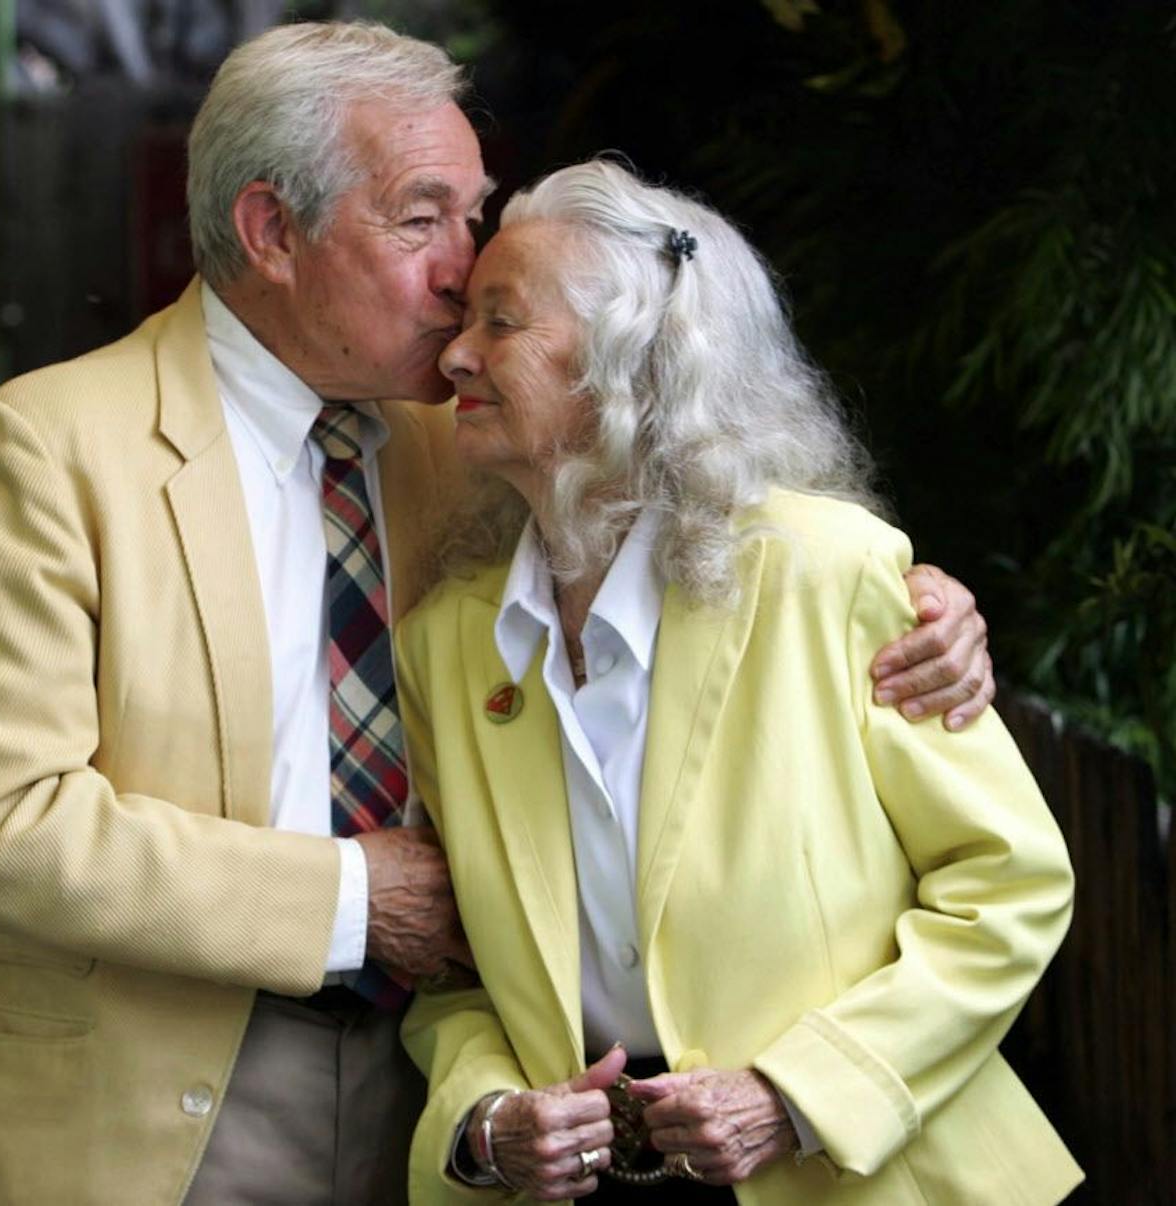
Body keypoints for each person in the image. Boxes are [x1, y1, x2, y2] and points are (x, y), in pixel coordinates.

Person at [0, 22, 995, 1206]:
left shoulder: (478, 430)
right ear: (271, 231)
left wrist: (923, 610)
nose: (462, 269)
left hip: (442, 1100)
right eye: (419, 218)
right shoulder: (58, 441)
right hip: (148, 1105)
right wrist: (350, 902)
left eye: (472, 218)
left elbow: (717, 546)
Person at [395, 159, 1081, 1205]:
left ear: (629, 362)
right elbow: (451, 966)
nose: (454, 354)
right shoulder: (446, 642)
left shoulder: (825, 570)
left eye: (501, 322)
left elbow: (1007, 884)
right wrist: (486, 1121)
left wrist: (796, 1093)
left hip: (865, 1175)